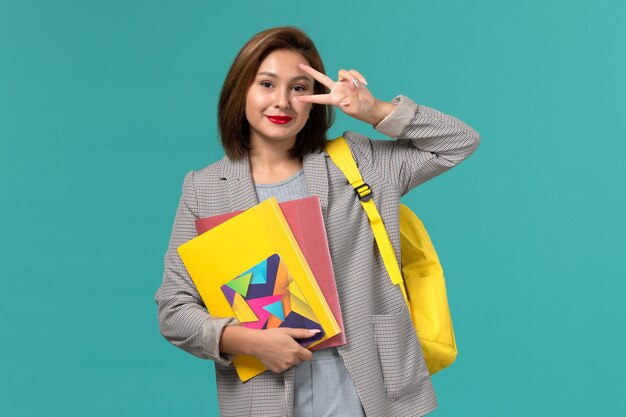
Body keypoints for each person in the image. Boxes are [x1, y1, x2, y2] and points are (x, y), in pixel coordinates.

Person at [155, 26, 480, 417]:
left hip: (369, 391)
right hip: (265, 397)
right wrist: (247, 341)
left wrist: (374, 109)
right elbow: (174, 309)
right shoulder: (204, 189)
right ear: (241, 90)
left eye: (298, 88)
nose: (282, 102)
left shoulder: (360, 163)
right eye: (267, 84)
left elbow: (459, 141)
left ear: (314, 101)